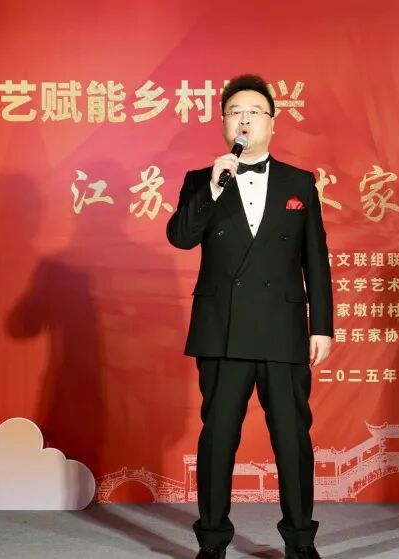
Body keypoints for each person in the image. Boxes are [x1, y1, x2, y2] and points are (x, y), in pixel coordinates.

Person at [167, 73, 332, 559]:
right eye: (235, 112)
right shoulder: (201, 181)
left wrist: (321, 326)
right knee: (218, 438)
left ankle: (300, 542)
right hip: (222, 329)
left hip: (282, 328)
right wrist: (213, 189)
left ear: (272, 123)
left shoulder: (299, 182)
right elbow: (181, 237)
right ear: (223, 123)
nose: (244, 119)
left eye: (254, 112)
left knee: (292, 440)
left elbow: (315, 259)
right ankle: (212, 541)